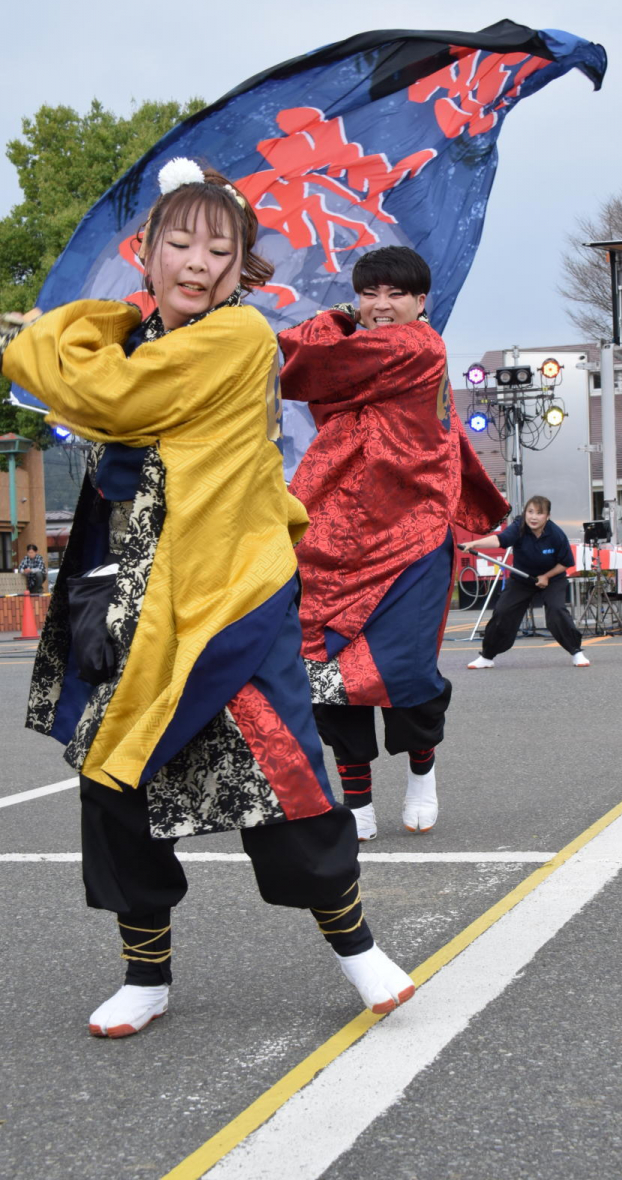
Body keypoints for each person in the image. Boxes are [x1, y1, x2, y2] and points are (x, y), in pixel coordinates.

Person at [0, 158, 415, 1038]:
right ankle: (145, 975)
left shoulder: (234, 339)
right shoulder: (148, 338)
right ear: (144, 251)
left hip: (227, 600)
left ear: (239, 268)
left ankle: (358, 949)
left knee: (286, 772)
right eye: (178, 243)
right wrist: (108, 327)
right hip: (129, 604)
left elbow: (101, 396)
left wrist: (58, 332)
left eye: (218, 250)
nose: (196, 262)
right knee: (118, 785)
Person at [278, 246, 508, 842]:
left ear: (421, 302)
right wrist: (341, 320)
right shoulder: (370, 348)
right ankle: (356, 799)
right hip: (333, 536)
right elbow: (308, 367)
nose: (381, 306)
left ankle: (421, 774)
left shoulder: (419, 346)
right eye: (369, 294)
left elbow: (303, 366)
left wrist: (338, 325)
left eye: (396, 294)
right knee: (325, 668)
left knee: (404, 673)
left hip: (409, 538)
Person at [461, 495, 589, 670]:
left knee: (557, 609)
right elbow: (500, 540)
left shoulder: (556, 534)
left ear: (547, 517)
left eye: (539, 513)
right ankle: (487, 656)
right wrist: (474, 543)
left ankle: (576, 652)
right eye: (530, 512)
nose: (533, 517)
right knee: (502, 611)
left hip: (552, 579)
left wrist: (546, 577)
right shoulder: (519, 527)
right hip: (522, 579)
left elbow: (566, 563)